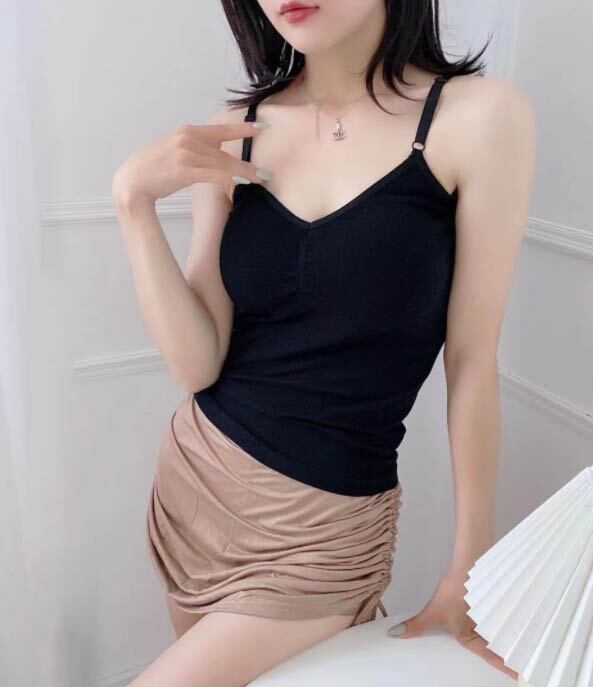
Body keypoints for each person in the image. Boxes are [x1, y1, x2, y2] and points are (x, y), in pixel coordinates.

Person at [112, 1, 536, 685]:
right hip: (196, 487)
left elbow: (472, 360)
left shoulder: (478, 119)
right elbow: (197, 363)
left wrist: (470, 570)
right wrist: (133, 203)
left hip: (322, 531)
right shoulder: (238, 131)